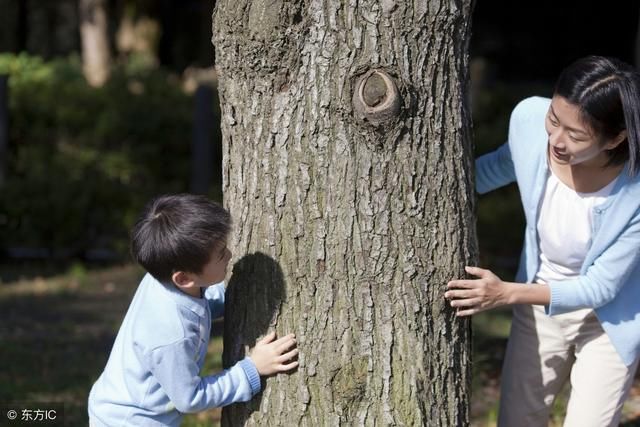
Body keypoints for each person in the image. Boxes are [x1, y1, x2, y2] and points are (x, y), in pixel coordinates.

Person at [445, 56, 640, 426]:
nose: (556, 139)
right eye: (555, 119)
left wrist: (506, 293)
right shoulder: (530, 121)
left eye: (576, 135)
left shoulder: (635, 188)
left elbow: (601, 287)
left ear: (615, 137)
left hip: (608, 318)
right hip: (536, 304)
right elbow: (501, 166)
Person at [88, 194, 299, 426]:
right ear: (184, 278)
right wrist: (252, 369)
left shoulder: (162, 276)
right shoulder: (171, 336)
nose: (230, 255)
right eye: (221, 254)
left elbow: (197, 305)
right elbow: (190, 399)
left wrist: (231, 298)